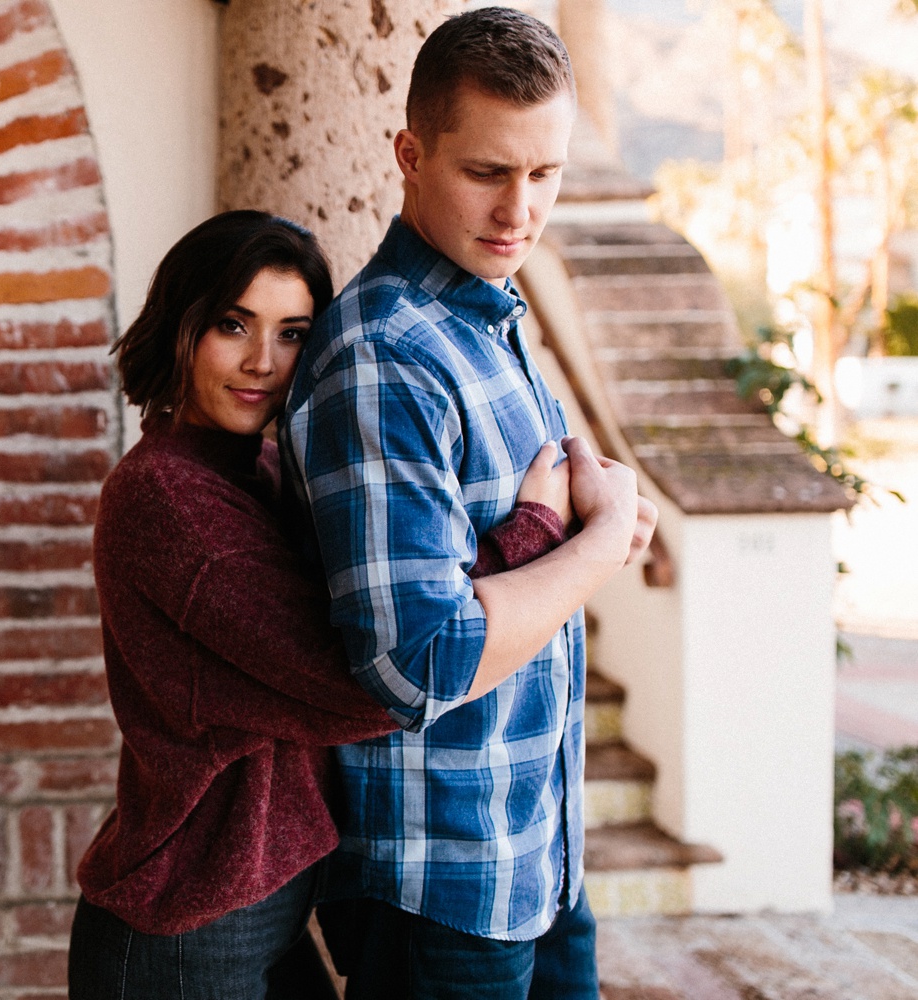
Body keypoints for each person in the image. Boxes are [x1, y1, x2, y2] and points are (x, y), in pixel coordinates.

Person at [68, 210, 578, 1000]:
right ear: (182, 325)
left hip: (265, 902)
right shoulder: (167, 497)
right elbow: (369, 675)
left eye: (293, 332)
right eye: (233, 324)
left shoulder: (260, 468)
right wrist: (533, 535)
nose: (262, 362)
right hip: (185, 924)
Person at [280, 9, 659, 999]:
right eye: (486, 171)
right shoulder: (387, 357)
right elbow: (416, 661)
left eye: (546, 174)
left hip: (536, 844)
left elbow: (505, 558)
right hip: (438, 890)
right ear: (410, 154)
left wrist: (580, 520)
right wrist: (602, 543)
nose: (519, 209)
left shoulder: (490, 315)